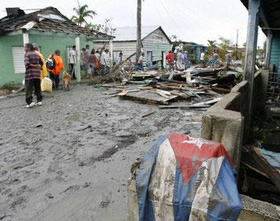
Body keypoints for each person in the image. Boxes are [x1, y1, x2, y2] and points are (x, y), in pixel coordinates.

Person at [24, 43, 43, 108]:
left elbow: (26, 64)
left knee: (29, 88)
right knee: (38, 88)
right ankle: (39, 101)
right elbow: (41, 64)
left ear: (28, 48)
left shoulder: (27, 54)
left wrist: (34, 65)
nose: (24, 49)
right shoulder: (37, 54)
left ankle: (30, 102)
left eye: (25, 47)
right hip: (37, 74)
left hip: (30, 74)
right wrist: (38, 66)